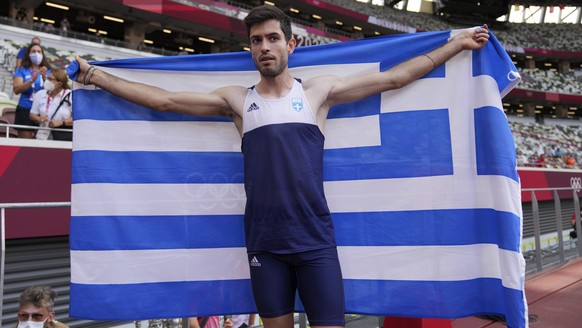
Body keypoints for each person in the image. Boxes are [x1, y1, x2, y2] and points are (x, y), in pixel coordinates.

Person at [73, 5, 489, 328]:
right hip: (265, 246)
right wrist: (94, 75)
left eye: (273, 38)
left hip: (315, 243)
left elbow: (395, 78)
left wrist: (456, 44)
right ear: (250, 49)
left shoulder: (318, 93)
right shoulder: (237, 100)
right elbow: (162, 100)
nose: (265, 47)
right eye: (256, 40)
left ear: (291, 45)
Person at [13, 42, 51, 138]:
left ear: (42, 54)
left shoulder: (48, 71)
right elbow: (17, 89)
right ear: (28, 54)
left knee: (42, 144)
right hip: (25, 109)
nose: (36, 53)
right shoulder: (22, 70)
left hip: (43, 111)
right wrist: (31, 80)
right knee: (25, 145)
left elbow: (52, 90)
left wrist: (44, 78)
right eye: (33, 51)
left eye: (39, 51)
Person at [29, 69, 72, 140]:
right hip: (43, 136)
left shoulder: (71, 95)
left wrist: (62, 122)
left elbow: (78, 118)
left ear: (59, 84)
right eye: (47, 78)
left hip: (63, 136)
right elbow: (32, 115)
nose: (47, 81)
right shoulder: (40, 94)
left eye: (50, 79)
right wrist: (39, 119)